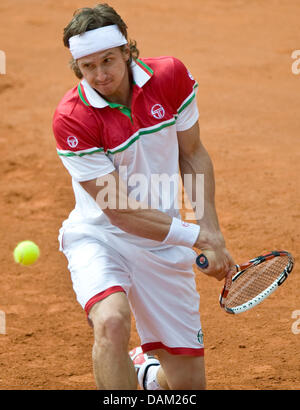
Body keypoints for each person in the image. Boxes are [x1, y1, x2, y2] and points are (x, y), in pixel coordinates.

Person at [52, 3, 235, 390]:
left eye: (108, 60)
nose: (101, 75)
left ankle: (148, 374)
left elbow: (192, 153)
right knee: (112, 322)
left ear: (127, 51)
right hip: (102, 238)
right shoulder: (73, 118)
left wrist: (209, 226)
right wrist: (196, 237)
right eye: (88, 67)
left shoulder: (170, 76)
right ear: (77, 68)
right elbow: (119, 210)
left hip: (161, 243)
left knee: (186, 389)